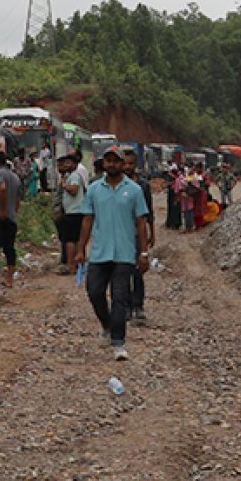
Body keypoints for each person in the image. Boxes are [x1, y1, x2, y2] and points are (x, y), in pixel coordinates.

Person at [78, 145, 149, 361]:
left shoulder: (134, 190)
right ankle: (107, 325)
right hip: (100, 252)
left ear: (122, 163)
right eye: (108, 161)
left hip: (124, 253)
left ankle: (119, 342)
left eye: (115, 161)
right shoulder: (94, 189)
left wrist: (144, 253)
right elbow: (87, 220)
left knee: (120, 298)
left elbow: (141, 222)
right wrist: (81, 249)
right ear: (104, 164)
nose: (112, 164)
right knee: (94, 291)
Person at [123, 150, 154, 321]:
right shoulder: (116, 186)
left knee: (138, 272)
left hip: (137, 234)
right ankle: (126, 306)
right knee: (122, 272)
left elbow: (149, 212)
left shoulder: (143, 186)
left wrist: (152, 233)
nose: (127, 167)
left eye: (130, 163)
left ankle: (138, 305)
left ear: (136, 165)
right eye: (125, 163)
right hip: (121, 234)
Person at [0, 151, 21, 289]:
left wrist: (2, 209)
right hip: (11, 218)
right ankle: (10, 279)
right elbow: (18, 198)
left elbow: (2, 188)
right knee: (9, 248)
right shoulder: (15, 176)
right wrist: (13, 211)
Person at [57, 155, 85, 275]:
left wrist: (64, 186)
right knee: (76, 238)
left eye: (69, 163)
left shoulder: (74, 176)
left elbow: (74, 190)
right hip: (75, 211)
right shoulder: (72, 175)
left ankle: (71, 265)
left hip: (73, 212)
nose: (66, 165)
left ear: (74, 164)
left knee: (70, 240)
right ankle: (77, 264)